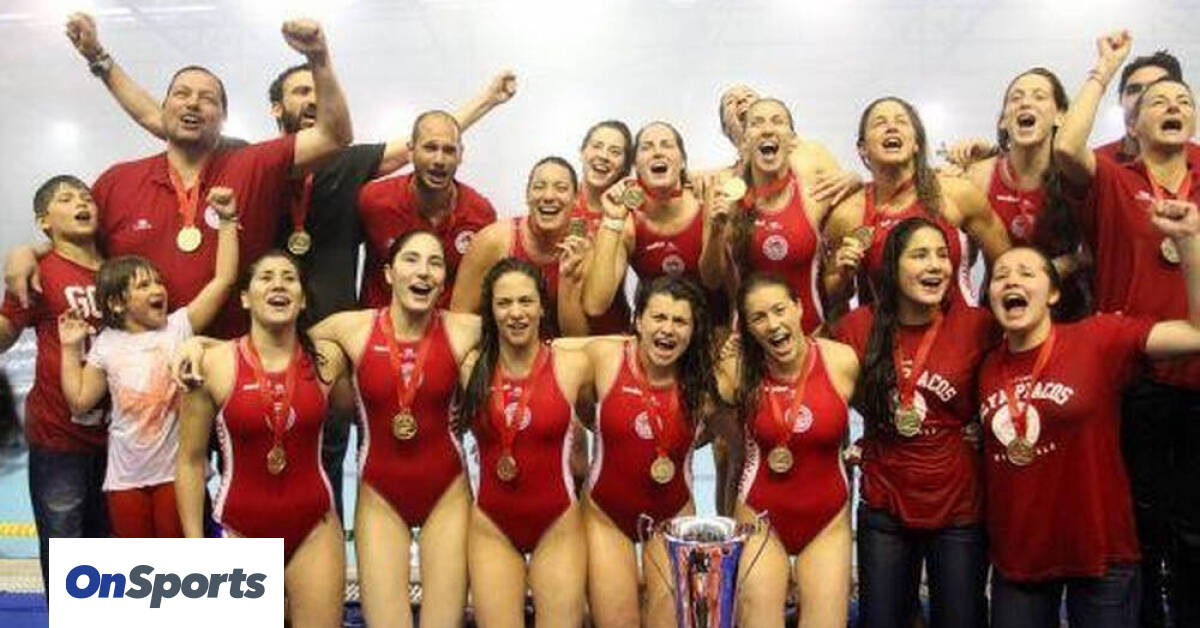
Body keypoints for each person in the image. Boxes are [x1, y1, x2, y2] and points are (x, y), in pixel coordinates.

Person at [978, 185, 1200, 626]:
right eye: (1001, 276)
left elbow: (1196, 334)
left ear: (1053, 294)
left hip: (1101, 554)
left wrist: (1190, 243)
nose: (1012, 281)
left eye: (1026, 272)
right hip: (1020, 560)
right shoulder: (983, 365)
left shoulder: (1098, 338)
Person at [1053, 30, 1200, 628]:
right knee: (1140, 532)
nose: (1173, 106)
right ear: (1132, 123)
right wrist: (1104, 68)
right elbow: (1067, 147)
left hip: (1199, 376)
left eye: (1183, 100)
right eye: (1156, 101)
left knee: (1196, 536)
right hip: (1134, 381)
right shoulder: (1116, 179)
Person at [305, 230, 482, 627]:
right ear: (388, 273)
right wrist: (200, 347)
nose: (423, 272)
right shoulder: (350, 328)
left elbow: (543, 350)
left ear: (444, 279)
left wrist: (471, 407)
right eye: (411, 260)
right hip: (378, 495)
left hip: (448, 493)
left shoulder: (466, 329)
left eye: (435, 263)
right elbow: (277, 344)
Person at [833, 218, 996, 627]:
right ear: (892, 266)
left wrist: (986, 426)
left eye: (943, 255)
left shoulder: (977, 325)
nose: (936, 265)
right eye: (920, 255)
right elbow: (815, 373)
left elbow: (1016, 373)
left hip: (958, 506)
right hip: (885, 505)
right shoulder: (857, 327)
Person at [177, 251, 347, 628]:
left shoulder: (327, 360)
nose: (278, 284)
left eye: (289, 278)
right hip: (239, 529)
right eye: (266, 277)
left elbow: (367, 409)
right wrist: (194, 545)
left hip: (315, 530)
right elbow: (189, 461)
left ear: (303, 300)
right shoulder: (211, 365)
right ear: (244, 297)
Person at [59, 187, 238, 538]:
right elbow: (79, 401)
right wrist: (69, 348)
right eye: (143, 286)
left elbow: (224, 280)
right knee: (137, 562)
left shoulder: (179, 326)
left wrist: (228, 220)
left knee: (175, 559)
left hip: (176, 474)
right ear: (116, 303)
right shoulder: (107, 344)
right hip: (125, 477)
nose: (158, 290)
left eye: (158, 282)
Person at [715, 273, 860, 628]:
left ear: (798, 308)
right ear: (747, 329)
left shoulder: (841, 361)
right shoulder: (736, 370)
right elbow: (698, 417)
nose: (773, 324)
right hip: (760, 516)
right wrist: (716, 366)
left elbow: (886, 417)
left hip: (827, 520)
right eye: (759, 317)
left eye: (779, 310)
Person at [456, 259, 588, 626]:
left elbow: (637, 351)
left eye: (526, 301)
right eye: (504, 303)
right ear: (490, 311)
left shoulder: (573, 364)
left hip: (558, 523)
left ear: (543, 306)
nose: (516, 313)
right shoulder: (468, 368)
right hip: (491, 526)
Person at [581, 275, 713, 628]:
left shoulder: (708, 380)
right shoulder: (602, 356)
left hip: (673, 514)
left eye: (680, 321)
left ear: (693, 331)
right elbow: (539, 361)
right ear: (638, 321)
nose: (668, 329)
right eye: (659, 317)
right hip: (606, 515)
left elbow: (736, 433)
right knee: (618, 620)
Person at [0, 176, 108, 589]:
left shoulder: (121, 269)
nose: (82, 202)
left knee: (115, 554)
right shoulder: (39, 271)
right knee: (67, 552)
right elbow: (8, 329)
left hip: (123, 438)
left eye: (87, 197)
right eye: (67, 198)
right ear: (44, 221)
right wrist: (24, 254)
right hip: (60, 438)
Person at [823, 97, 1011, 316]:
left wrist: (996, 322)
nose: (891, 127)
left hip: (959, 332)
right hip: (883, 335)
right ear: (863, 149)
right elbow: (834, 297)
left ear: (916, 143)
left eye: (901, 121)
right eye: (879, 123)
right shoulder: (848, 214)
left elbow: (1006, 263)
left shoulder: (957, 194)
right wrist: (843, 276)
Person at [942, 68, 1090, 318]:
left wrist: (1055, 269)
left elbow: (1095, 252)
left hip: (1067, 310)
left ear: (1060, 116)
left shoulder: (1076, 172)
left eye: (1039, 96)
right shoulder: (980, 176)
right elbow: (963, 258)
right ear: (1003, 120)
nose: (1025, 103)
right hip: (1001, 311)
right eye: (1016, 98)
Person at [703, 97, 853, 334]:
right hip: (748, 342)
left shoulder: (814, 193)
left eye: (777, 121)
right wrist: (716, 232)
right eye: (757, 123)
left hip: (810, 336)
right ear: (745, 140)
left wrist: (856, 178)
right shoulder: (725, 196)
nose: (767, 129)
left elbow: (841, 286)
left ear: (792, 139)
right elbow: (711, 280)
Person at [359, 111, 499, 309]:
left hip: (446, 325)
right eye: (430, 148)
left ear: (460, 155)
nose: (439, 160)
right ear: (410, 151)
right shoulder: (373, 201)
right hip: (378, 323)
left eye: (449, 150)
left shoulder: (481, 215)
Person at [452, 157, 591, 337]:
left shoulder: (585, 248)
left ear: (576, 198)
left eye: (561, 188)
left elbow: (577, 340)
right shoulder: (493, 241)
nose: (549, 196)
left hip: (560, 351)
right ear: (527, 195)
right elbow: (459, 320)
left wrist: (568, 279)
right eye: (539, 187)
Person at [572, 121, 634, 335]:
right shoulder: (559, 201)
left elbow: (666, 186)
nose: (604, 156)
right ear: (582, 152)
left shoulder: (630, 208)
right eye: (597, 146)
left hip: (611, 335)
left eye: (615, 152)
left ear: (625, 165)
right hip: (557, 333)